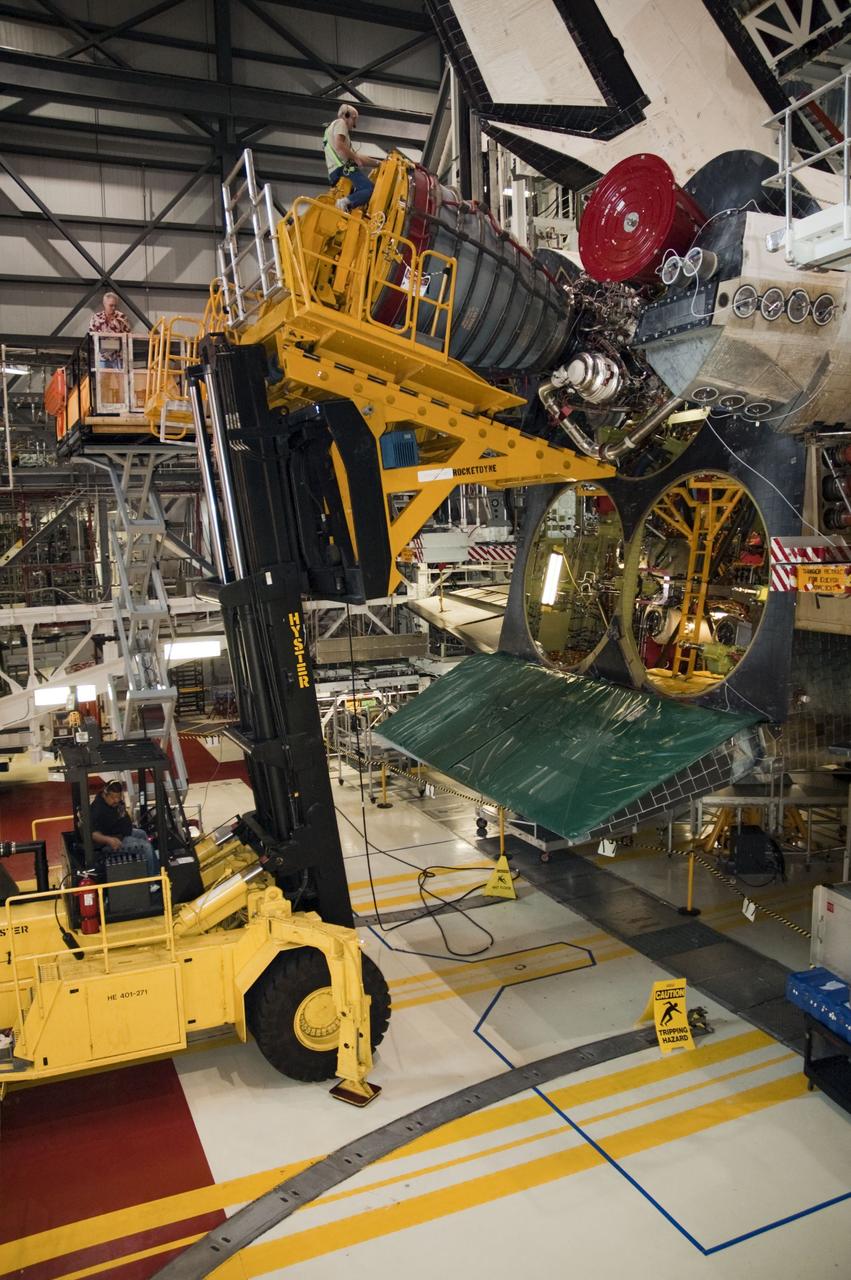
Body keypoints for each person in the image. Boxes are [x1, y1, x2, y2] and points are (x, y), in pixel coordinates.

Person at [90, 779, 160, 881]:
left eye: (118, 797)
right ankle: (152, 882)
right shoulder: (97, 809)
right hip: (109, 843)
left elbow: (124, 818)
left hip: (120, 834)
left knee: (142, 833)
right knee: (146, 847)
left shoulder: (116, 804)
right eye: (113, 797)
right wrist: (109, 840)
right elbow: (93, 834)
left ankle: (154, 869)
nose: (116, 800)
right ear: (105, 794)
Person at [322, 104, 379, 213]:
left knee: (361, 192)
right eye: (354, 119)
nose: (355, 125)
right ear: (347, 115)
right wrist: (355, 158)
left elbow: (357, 157)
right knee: (369, 188)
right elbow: (339, 145)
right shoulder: (341, 123)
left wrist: (379, 163)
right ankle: (344, 202)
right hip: (343, 169)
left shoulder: (331, 130)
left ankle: (347, 204)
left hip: (335, 172)